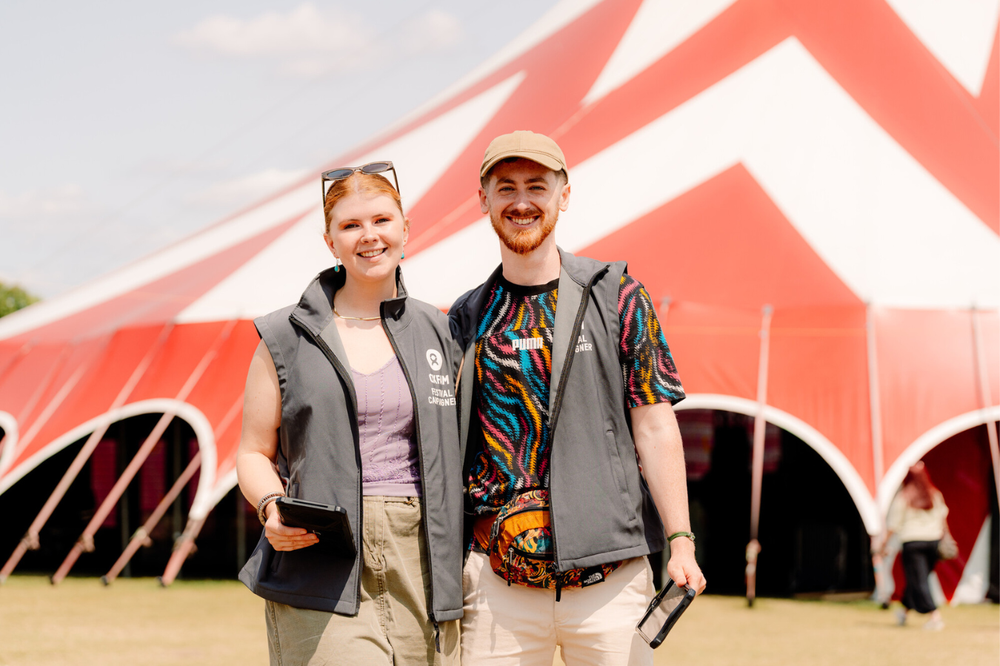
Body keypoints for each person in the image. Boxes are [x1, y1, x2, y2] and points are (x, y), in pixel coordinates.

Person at [449, 130, 707, 665]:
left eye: (537, 186)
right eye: (506, 187)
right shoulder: (465, 316)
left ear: (563, 195)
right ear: (484, 200)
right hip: (500, 589)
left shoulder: (617, 296)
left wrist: (681, 537)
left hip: (609, 582)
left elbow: (655, 426)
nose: (522, 201)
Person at [237, 162, 463, 665]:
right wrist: (271, 505)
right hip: (321, 551)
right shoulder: (284, 336)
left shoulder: (443, 332)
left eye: (382, 220)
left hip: (424, 557)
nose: (369, 237)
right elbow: (253, 451)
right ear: (329, 240)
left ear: (406, 228)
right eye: (350, 225)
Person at [883, 461, 950, 631]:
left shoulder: (904, 497)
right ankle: (904, 612)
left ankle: (935, 617)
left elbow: (893, 525)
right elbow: (943, 519)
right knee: (918, 580)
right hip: (933, 543)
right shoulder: (934, 494)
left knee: (918, 581)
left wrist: (882, 544)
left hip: (912, 544)